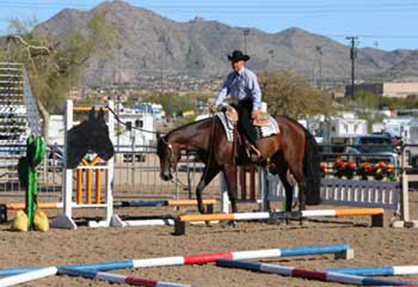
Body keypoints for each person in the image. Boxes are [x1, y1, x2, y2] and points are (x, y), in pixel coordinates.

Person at [210, 50, 262, 160]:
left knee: (244, 121)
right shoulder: (231, 76)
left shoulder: (249, 75)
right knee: (223, 118)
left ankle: (254, 146)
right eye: (233, 62)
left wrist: (255, 108)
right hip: (236, 104)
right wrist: (217, 103)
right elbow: (225, 90)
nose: (234, 64)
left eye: (237, 62)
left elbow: (256, 92)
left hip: (248, 103)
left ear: (242, 62)